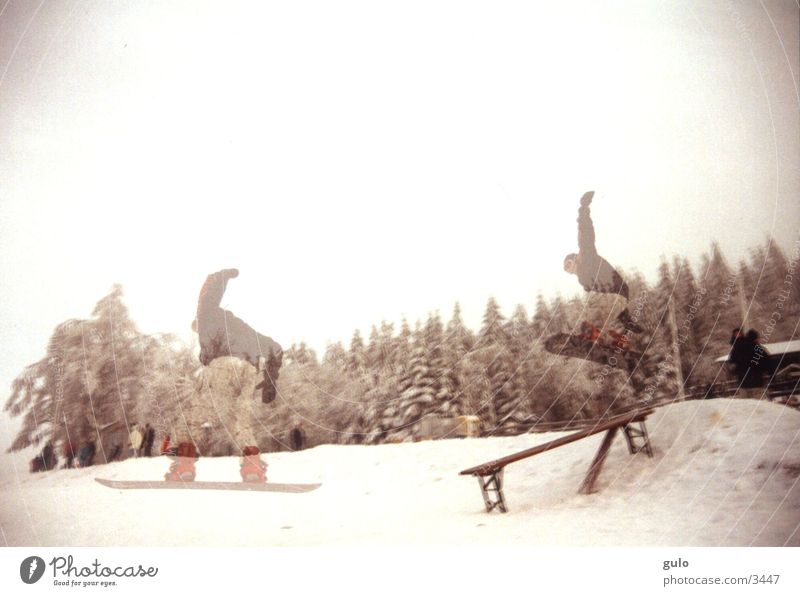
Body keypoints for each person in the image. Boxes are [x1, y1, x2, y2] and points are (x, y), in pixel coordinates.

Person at [563, 191, 643, 348]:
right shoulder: (582, 279)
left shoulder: (585, 254)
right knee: (598, 311)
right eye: (566, 270)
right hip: (614, 295)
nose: (568, 270)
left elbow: (586, 233)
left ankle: (605, 333)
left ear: (574, 259)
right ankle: (613, 337)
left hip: (614, 292)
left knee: (592, 311)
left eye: (568, 265)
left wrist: (583, 209)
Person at [193, 268, 283, 404]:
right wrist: (271, 379)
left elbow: (205, 302)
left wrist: (220, 278)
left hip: (227, 369)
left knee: (207, 376)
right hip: (243, 373)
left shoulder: (207, 321)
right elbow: (275, 348)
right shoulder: (245, 333)